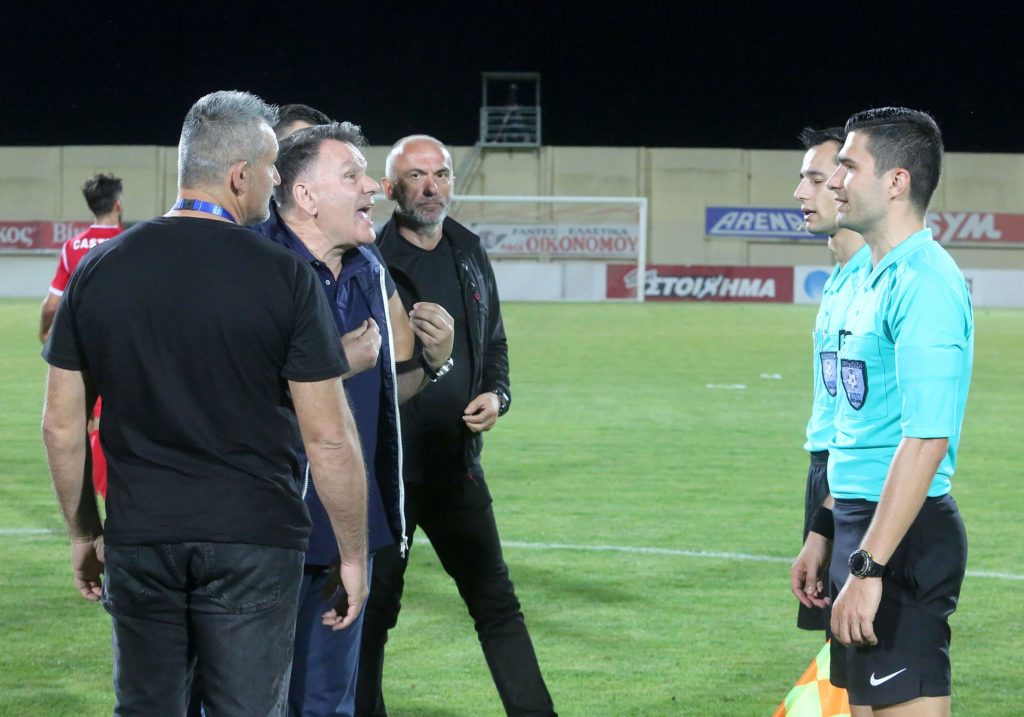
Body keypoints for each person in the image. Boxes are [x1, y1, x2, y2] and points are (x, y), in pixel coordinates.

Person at [41, 90, 369, 717]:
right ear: (240, 175)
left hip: (142, 536)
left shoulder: (99, 269)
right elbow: (329, 437)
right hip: (255, 538)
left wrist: (83, 531)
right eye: (271, 169)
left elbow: (61, 425)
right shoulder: (285, 275)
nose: (276, 182)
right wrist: (353, 554)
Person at [253, 121, 454, 717]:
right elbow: (224, 396)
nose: (372, 187)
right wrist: (334, 364)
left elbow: (385, 395)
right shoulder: (251, 264)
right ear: (306, 196)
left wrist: (434, 363)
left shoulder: (368, 267)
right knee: (246, 701)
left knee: (327, 705)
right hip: (260, 534)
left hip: (346, 531)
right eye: (352, 175)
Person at [357, 135, 557, 717]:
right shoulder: (369, 260)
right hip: (389, 478)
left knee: (497, 604)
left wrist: (498, 395)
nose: (431, 187)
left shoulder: (469, 250)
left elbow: (493, 345)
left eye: (440, 174)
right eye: (416, 176)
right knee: (373, 615)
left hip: (456, 469)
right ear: (390, 188)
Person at [823, 107, 973, 715]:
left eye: (847, 166)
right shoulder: (872, 276)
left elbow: (926, 440)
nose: (835, 181)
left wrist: (868, 567)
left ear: (895, 181)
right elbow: (857, 423)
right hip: (864, 526)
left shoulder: (925, 283)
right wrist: (829, 531)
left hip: (899, 541)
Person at [788, 127, 868, 634]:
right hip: (827, 468)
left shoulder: (874, 282)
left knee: (861, 642)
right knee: (836, 642)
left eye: (816, 179)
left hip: (853, 477)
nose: (801, 192)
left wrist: (828, 511)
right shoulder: (839, 278)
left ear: (846, 184)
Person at [39, 173, 126, 499]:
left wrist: (44, 330)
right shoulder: (131, 243)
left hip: (83, 354)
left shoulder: (72, 247)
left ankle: (91, 509)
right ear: (118, 204)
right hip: (123, 353)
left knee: (80, 430)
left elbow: (52, 305)